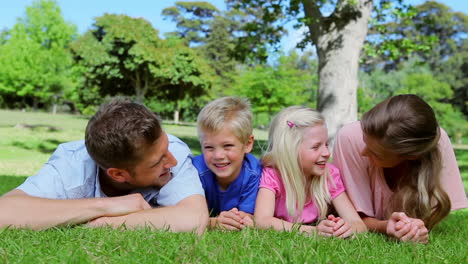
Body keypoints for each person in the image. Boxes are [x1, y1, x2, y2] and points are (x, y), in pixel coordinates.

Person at [0, 99, 208, 233]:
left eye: (166, 149)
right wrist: (106, 206)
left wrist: (102, 223)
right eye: (157, 162)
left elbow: (194, 219)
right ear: (118, 174)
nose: (171, 161)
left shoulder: (172, 152)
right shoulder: (72, 165)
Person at [333, 94, 468, 244]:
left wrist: (414, 228)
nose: (363, 152)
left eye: (376, 153)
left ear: (412, 156)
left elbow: (430, 215)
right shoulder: (350, 138)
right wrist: (385, 226)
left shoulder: (436, 141)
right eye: (365, 141)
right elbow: (354, 219)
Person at [254, 106, 367, 237]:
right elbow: (262, 221)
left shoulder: (329, 174)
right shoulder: (272, 176)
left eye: (326, 144)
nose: (326, 153)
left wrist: (346, 228)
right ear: (290, 151)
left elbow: (358, 224)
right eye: (315, 147)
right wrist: (313, 231)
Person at [192, 97, 262, 230]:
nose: (218, 156)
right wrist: (214, 222)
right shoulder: (196, 170)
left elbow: (248, 215)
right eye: (209, 147)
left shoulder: (254, 173)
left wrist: (240, 219)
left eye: (228, 145)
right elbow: (188, 215)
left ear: (247, 144)